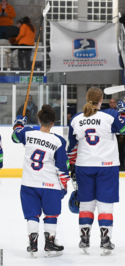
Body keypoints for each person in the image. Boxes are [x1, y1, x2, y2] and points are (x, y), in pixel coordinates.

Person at [68, 87, 125, 255]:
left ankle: (84, 238)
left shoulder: (76, 119)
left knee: (86, 204)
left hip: (84, 165)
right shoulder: (109, 116)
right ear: (101, 99)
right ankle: (105, 239)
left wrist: (72, 168)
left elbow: (71, 145)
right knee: (105, 204)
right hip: (107, 166)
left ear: (86, 98)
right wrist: (123, 112)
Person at [12, 105, 69, 258]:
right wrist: (64, 186)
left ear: (39, 119)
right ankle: (50, 244)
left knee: (32, 214)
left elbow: (15, 136)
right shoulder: (58, 141)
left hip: (29, 183)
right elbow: (62, 167)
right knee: (51, 214)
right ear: (53, 123)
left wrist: (19, 123)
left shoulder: (28, 133)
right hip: (50, 185)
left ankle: (33, 243)